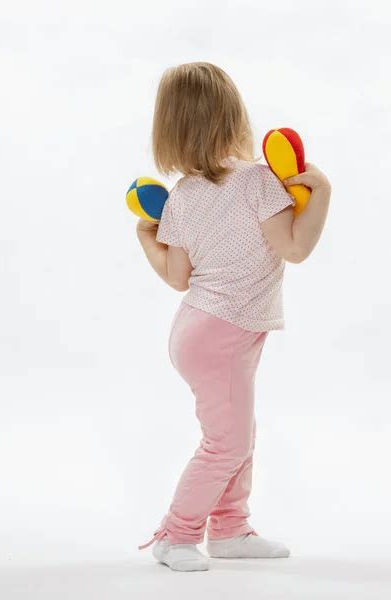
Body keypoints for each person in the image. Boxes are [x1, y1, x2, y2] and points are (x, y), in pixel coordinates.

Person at [135, 62, 331, 572]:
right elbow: (293, 248)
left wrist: (147, 242)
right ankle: (175, 534)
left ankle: (229, 529)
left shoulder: (182, 195)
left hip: (201, 329)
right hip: (222, 333)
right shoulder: (259, 182)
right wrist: (322, 194)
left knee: (239, 434)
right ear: (234, 116)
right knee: (226, 442)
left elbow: (179, 277)